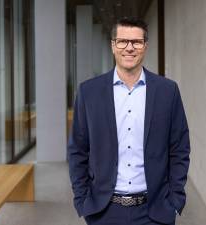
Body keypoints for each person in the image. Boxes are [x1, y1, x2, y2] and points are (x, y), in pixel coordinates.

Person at [68, 17, 190, 225]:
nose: (129, 48)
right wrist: (83, 200)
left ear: (145, 46)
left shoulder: (167, 91)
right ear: (113, 45)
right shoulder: (89, 92)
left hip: (154, 211)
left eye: (136, 42)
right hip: (104, 211)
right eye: (123, 41)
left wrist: (175, 199)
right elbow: (78, 150)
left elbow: (179, 148)